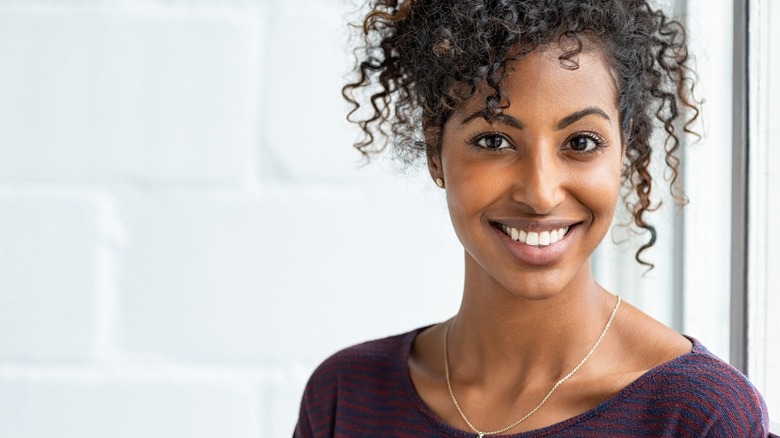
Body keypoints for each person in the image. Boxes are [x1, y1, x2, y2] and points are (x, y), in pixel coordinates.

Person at [294, 0, 770, 436]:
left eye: (581, 142)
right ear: (435, 151)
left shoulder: (697, 416)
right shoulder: (345, 398)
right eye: (494, 141)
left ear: (623, 150)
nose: (541, 194)